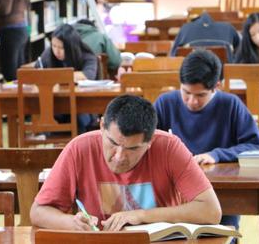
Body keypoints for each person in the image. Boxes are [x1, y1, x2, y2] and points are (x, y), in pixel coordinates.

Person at [30, 95, 222, 231]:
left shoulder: (169, 147)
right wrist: (72, 223)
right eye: (113, 143)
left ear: (150, 142)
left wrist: (140, 215)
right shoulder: (79, 149)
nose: (119, 156)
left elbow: (211, 211)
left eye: (132, 149)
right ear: (102, 126)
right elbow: (38, 212)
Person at [154, 50, 259, 230]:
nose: (192, 101)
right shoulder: (165, 103)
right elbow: (148, 144)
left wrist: (217, 154)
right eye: (186, 92)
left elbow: (257, 147)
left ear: (217, 86)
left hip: (220, 192)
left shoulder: (231, 105)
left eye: (200, 95)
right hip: (175, 193)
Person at [170, 12, 240, 60]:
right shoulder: (228, 28)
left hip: (191, 76)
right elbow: (240, 53)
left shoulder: (185, 29)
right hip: (224, 76)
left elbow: (173, 56)